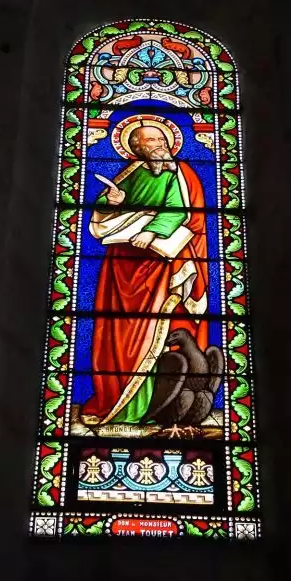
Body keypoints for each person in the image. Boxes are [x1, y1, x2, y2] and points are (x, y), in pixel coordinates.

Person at [81, 122, 209, 426]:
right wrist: (111, 202)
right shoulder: (130, 172)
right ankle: (113, 401)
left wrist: (152, 232)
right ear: (136, 148)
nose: (157, 145)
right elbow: (105, 209)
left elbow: (181, 210)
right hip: (121, 262)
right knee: (115, 332)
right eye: (149, 141)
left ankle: (149, 407)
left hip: (157, 263)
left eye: (161, 139)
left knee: (151, 330)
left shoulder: (178, 173)